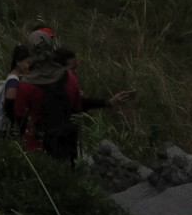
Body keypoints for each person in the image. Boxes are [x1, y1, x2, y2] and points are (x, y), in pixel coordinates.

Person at [16, 27, 133, 164]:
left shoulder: (25, 86)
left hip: (36, 149)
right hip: (67, 144)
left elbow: (18, 118)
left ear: (31, 52)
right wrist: (107, 102)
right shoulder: (70, 78)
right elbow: (78, 106)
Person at [0, 43, 30, 135]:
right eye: (28, 62)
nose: (29, 66)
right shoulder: (14, 81)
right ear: (18, 62)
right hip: (8, 129)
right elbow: (9, 107)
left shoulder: (13, 78)